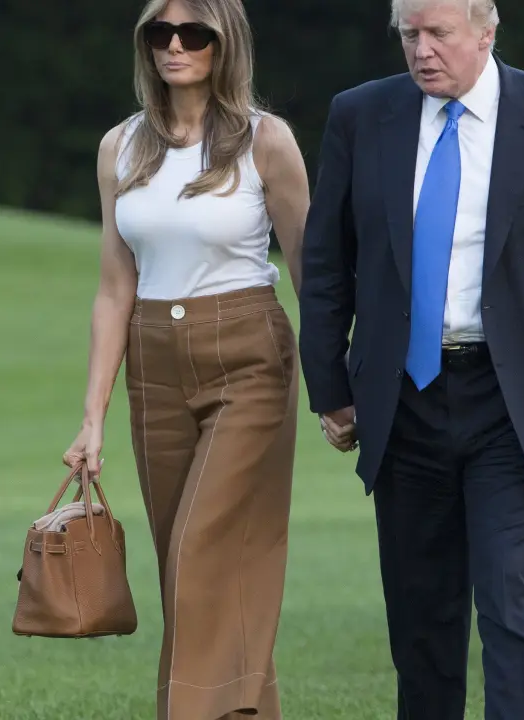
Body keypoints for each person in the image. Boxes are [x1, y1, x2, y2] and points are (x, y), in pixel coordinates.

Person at [297, 0, 524, 717]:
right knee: (421, 617)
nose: (422, 50)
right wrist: (329, 385)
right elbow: (328, 263)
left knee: (507, 596)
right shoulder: (361, 116)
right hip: (405, 401)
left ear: (487, 33)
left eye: (439, 34)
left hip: (516, 403)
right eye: (409, 35)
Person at [61, 0, 312, 717]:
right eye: (160, 33)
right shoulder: (121, 147)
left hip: (249, 356)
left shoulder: (267, 141)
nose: (175, 45)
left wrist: (337, 384)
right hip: (154, 361)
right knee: (188, 565)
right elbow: (115, 287)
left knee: (202, 553)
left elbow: (309, 270)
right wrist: (92, 416)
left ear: (224, 43)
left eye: (193, 33)